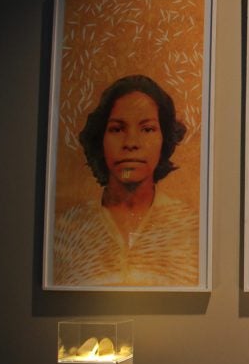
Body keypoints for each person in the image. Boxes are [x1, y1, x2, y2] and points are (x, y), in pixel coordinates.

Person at [53, 75, 198, 287]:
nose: (131, 143)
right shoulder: (67, 230)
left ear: (164, 138)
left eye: (147, 129)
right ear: (100, 139)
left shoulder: (190, 228)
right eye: (117, 129)